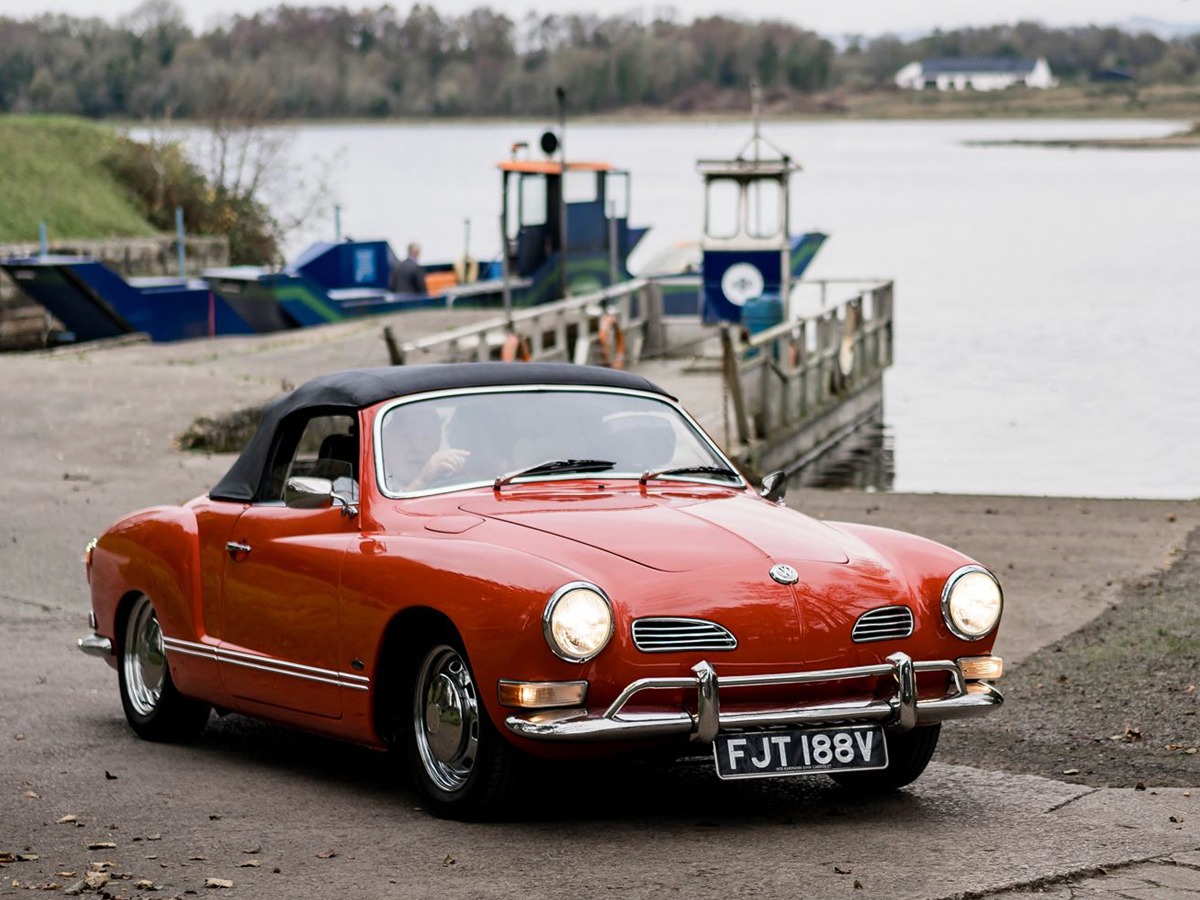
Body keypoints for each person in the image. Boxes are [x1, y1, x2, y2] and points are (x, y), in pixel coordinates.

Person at [382, 402, 469, 492]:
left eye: (426, 438)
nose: (417, 448)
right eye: (407, 437)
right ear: (385, 438)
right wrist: (421, 482)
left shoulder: (447, 477)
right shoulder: (374, 478)